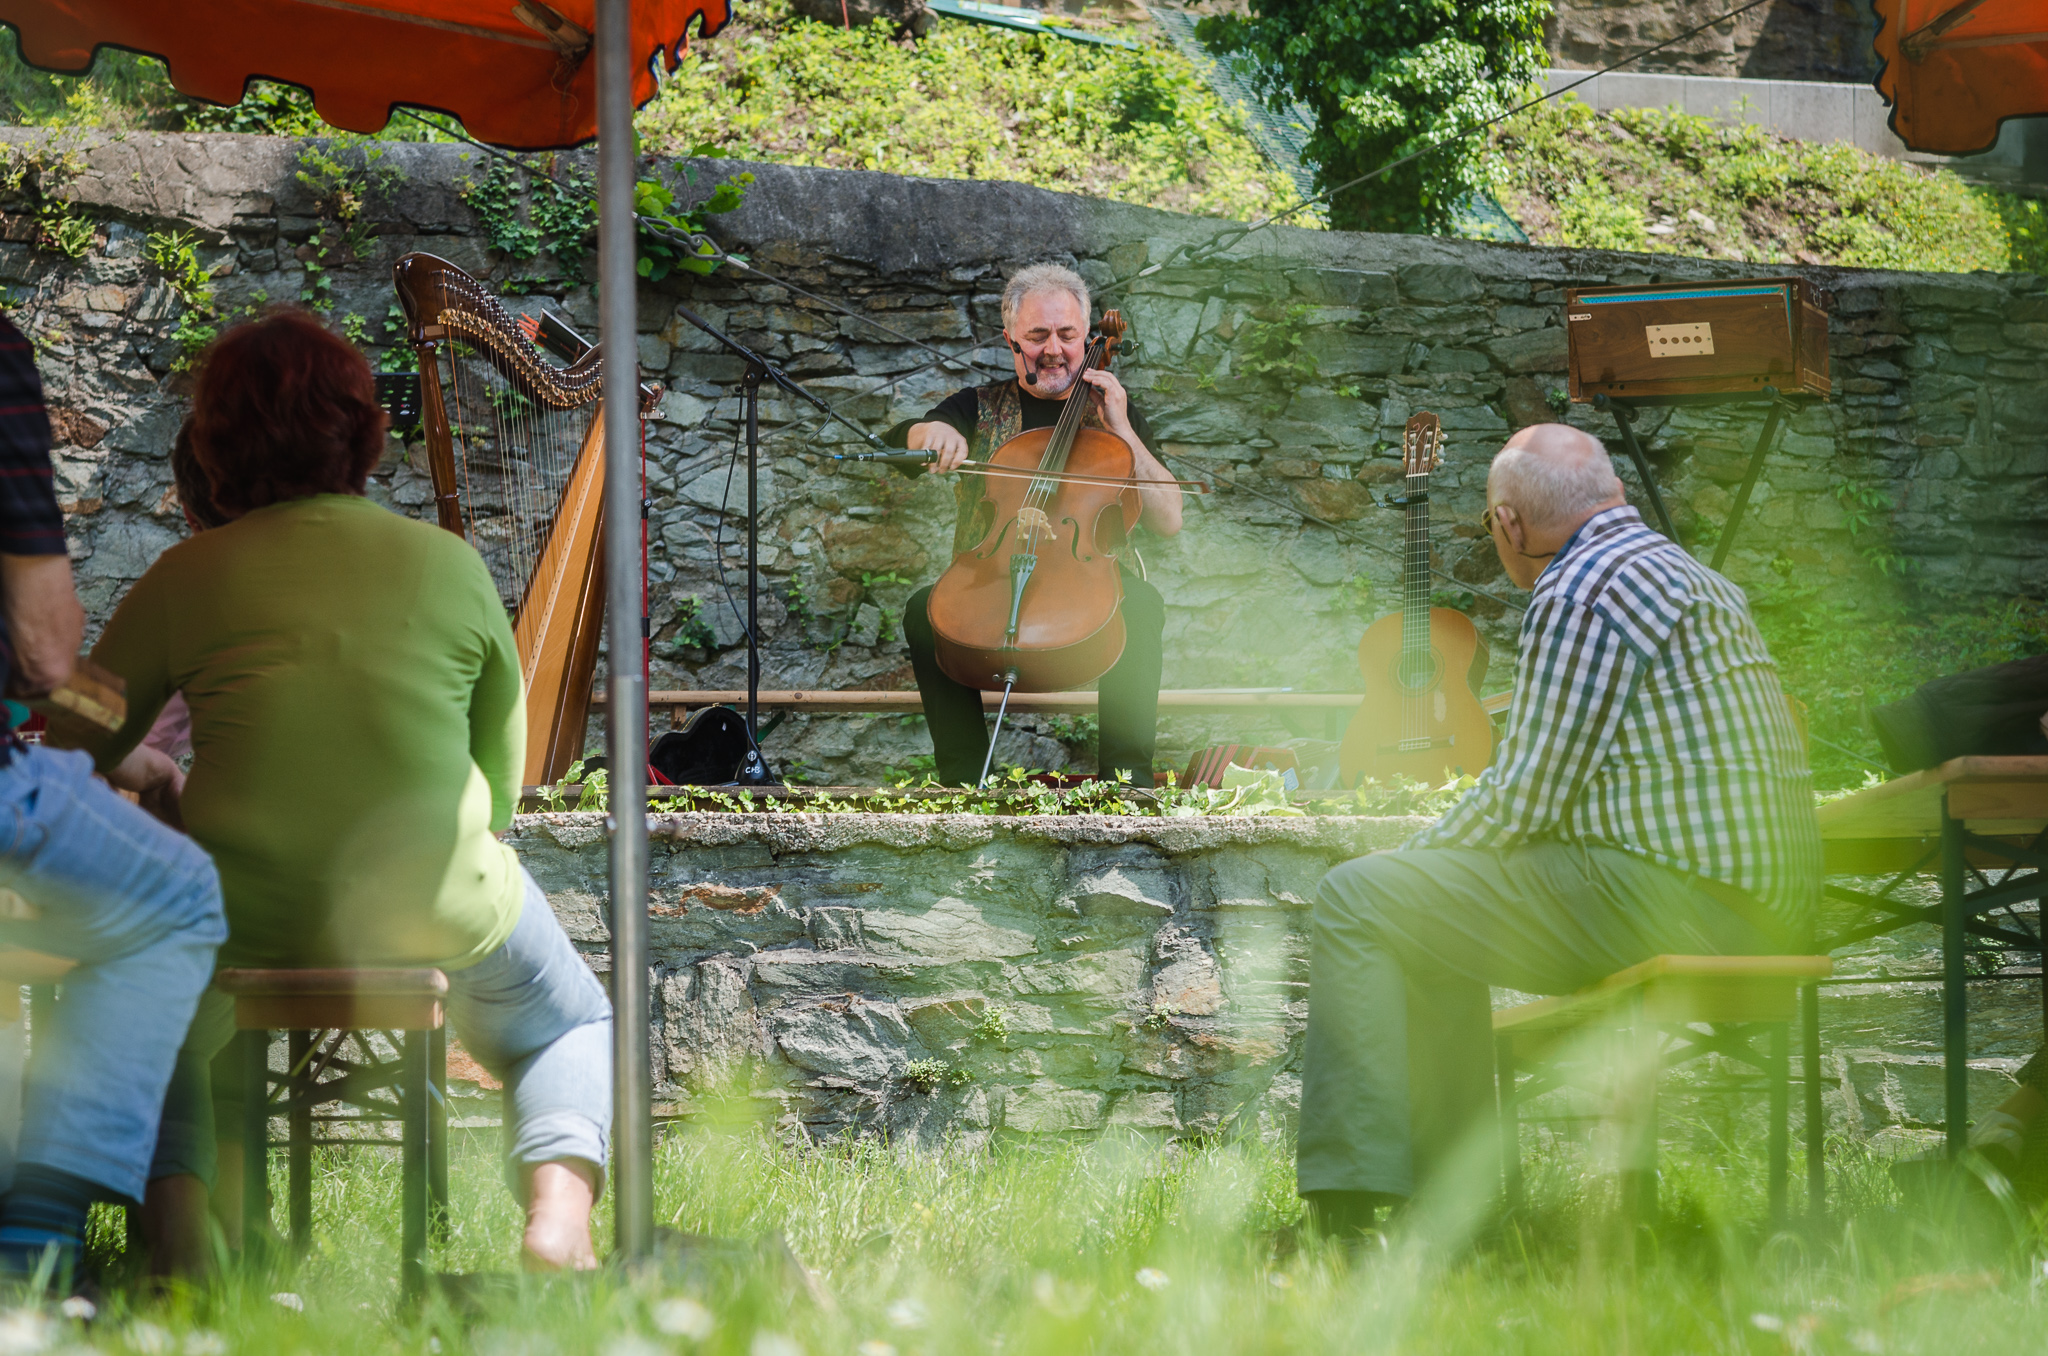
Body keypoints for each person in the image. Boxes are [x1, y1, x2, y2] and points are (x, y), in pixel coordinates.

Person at [60, 309, 613, 1273]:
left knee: (149, 1013)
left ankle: (183, 1239)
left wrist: (143, 761)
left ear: (213, 442)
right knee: (571, 1022)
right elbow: (501, 786)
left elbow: (71, 730)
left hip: (241, 913)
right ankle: (558, 1223)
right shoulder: (449, 563)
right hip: (436, 903)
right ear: (364, 432)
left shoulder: (186, 573)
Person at [1295, 423, 1822, 1239]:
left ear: (1509, 525)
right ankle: (1449, 1210)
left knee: (1361, 897)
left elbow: (1524, 797)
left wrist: (1404, 859)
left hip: (1673, 900)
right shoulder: (1694, 577)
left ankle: (1349, 1213)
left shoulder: (1583, 587)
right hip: (1759, 907)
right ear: (1609, 490)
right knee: (1423, 916)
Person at [0, 312, 226, 1286]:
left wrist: (112, 735)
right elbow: (47, 659)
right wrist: (135, 754)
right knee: (170, 900)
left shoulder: (181, 578)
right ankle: (37, 1251)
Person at [887, 263, 1184, 787]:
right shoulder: (976, 408)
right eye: (1037, 335)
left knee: (1140, 604)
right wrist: (928, 431)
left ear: (1088, 338)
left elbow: (1169, 520)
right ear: (1011, 340)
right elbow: (898, 442)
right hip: (993, 589)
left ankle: (1127, 784)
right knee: (922, 610)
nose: (1054, 349)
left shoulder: (1115, 414)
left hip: (1085, 597)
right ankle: (962, 781)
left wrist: (1121, 428)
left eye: (1068, 335)